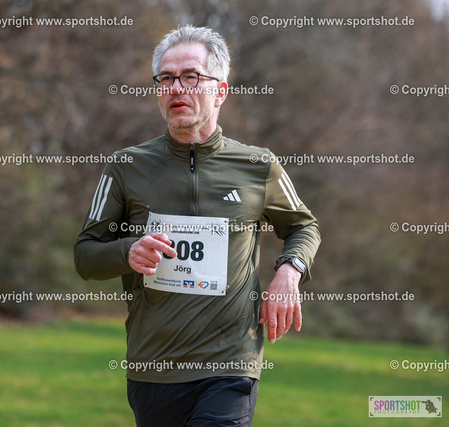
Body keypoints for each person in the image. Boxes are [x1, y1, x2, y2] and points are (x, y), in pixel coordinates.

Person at [74, 25, 320, 426]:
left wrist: (290, 271)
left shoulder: (258, 166)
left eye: (190, 76)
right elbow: (85, 255)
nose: (176, 88)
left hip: (230, 363)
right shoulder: (126, 166)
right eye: (166, 78)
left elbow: (304, 226)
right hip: (153, 366)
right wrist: (128, 251)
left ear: (220, 91)